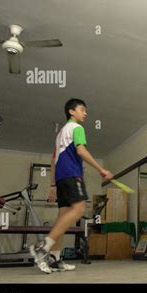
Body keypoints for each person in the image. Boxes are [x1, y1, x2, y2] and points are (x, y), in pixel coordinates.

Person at [30, 98, 113, 273]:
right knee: (79, 209)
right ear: (71, 112)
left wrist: (53, 184)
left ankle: (55, 259)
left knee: (63, 218)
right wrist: (101, 169)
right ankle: (42, 247)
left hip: (61, 178)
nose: (86, 113)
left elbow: (53, 160)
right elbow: (81, 150)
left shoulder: (60, 133)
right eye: (82, 109)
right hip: (72, 174)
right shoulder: (77, 128)